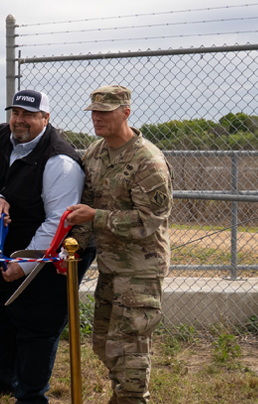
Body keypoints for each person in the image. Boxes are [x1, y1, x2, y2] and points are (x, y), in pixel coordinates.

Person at [0, 90, 94, 404]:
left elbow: (58, 220)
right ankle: (0, 381)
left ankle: (30, 395)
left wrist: (24, 265)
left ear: (45, 118)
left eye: (28, 115)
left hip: (44, 255)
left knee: (37, 325)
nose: (19, 120)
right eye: (15, 113)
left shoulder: (60, 161)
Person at [64, 86, 171, 404]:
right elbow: (83, 207)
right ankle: (122, 394)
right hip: (110, 266)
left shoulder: (147, 160)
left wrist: (96, 217)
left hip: (140, 269)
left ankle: (131, 398)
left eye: (105, 112)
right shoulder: (94, 154)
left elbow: (149, 221)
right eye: (94, 112)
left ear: (125, 113)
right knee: (103, 342)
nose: (97, 118)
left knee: (131, 346)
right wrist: (73, 248)